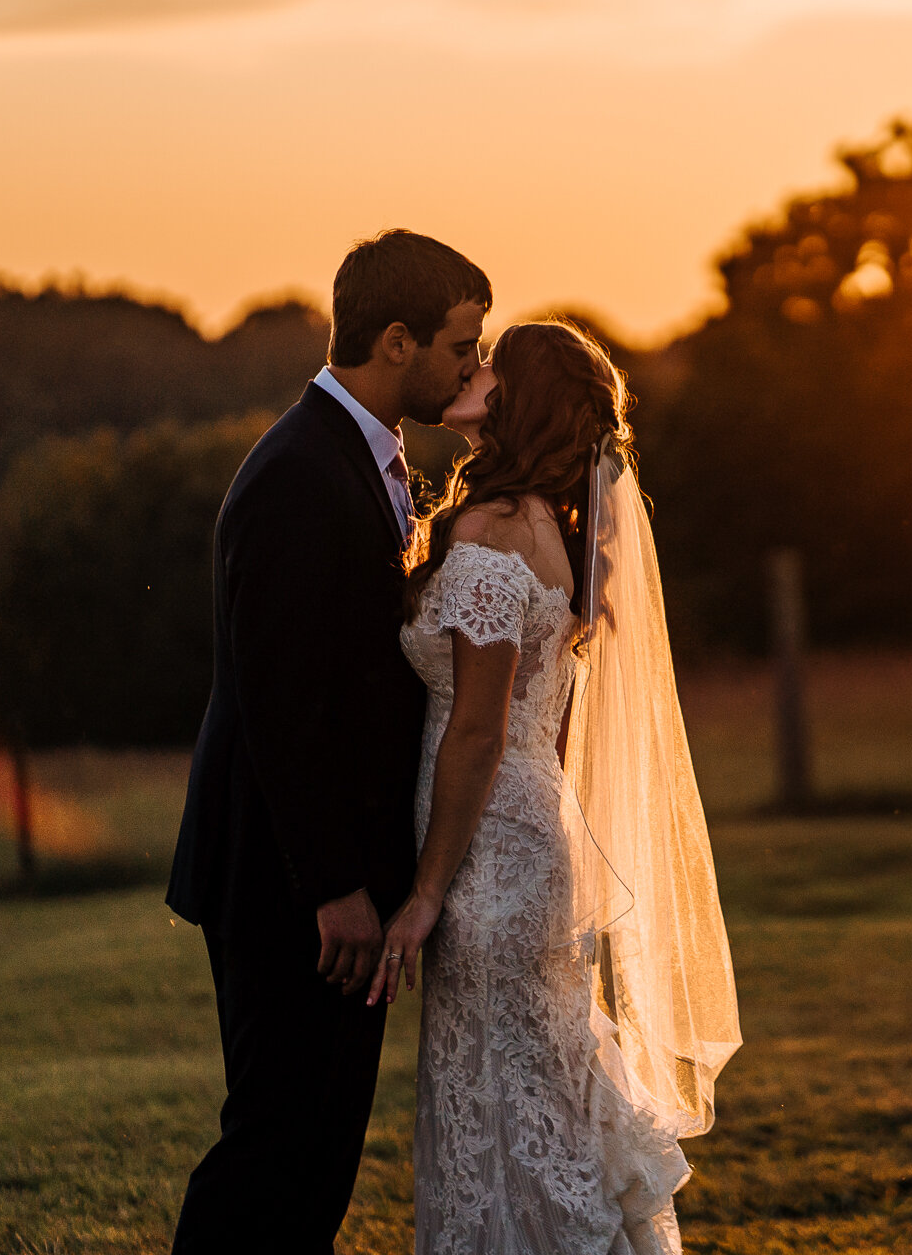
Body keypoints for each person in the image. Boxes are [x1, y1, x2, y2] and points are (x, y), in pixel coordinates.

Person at [363, 320, 741, 1255]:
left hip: (490, 856)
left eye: (493, 362)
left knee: (503, 1109)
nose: (474, 367)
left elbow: (481, 729)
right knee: (531, 1094)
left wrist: (423, 896)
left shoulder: (493, 535)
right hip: (528, 842)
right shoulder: (552, 534)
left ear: (518, 399)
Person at [166, 229, 490, 1254]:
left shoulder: (365, 457)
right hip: (287, 880)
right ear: (397, 342)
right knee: (275, 1148)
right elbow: (280, 699)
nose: (470, 369)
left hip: (328, 874)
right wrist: (335, 884)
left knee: (317, 1159)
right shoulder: (300, 473)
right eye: (460, 347)